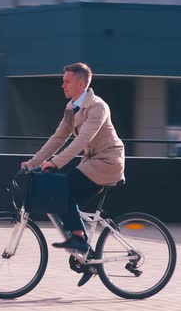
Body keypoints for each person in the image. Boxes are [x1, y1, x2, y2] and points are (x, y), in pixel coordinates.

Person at [21, 62, 125, 254]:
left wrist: (55, 162)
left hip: (107, 162)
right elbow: (58, 138)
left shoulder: (97, 107)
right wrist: (33, 162)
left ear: (81, 84)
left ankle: (79, 238)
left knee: (61, 190)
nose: (63, 85)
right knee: (62, 199)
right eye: (63, 81)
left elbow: (82, 140)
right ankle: (87, 256)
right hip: (92, 162)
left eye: (67, 81)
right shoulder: (71, 108)